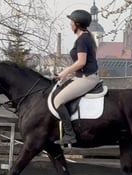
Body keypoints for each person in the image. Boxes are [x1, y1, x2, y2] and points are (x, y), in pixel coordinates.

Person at [54, 9, 100, 145]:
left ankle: (70, 135)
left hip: (86, 79)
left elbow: (81, 62)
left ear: (77, 24)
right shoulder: (85, 37)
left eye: (71, 22)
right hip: (81, 76)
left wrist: (66, 72)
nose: (70, 24)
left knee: (58, 101)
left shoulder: (82, 40)